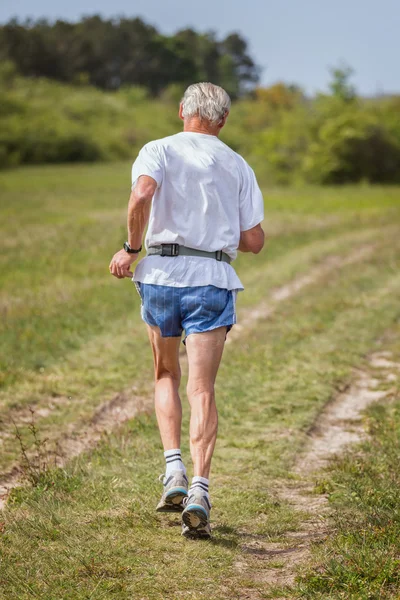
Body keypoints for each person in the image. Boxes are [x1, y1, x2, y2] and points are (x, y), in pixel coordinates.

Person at [109, 82, 265, 539]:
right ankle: (199, 489)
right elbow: (254, 240)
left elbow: (142, 195)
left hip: (159, 275)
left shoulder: (157, 148)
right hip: (211, 280)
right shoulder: (236, 163)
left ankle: (172, 469)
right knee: (203, 389)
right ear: (224, 119)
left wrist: (130, 248)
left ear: (182, 110)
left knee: (165, 375)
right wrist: (213, 227)